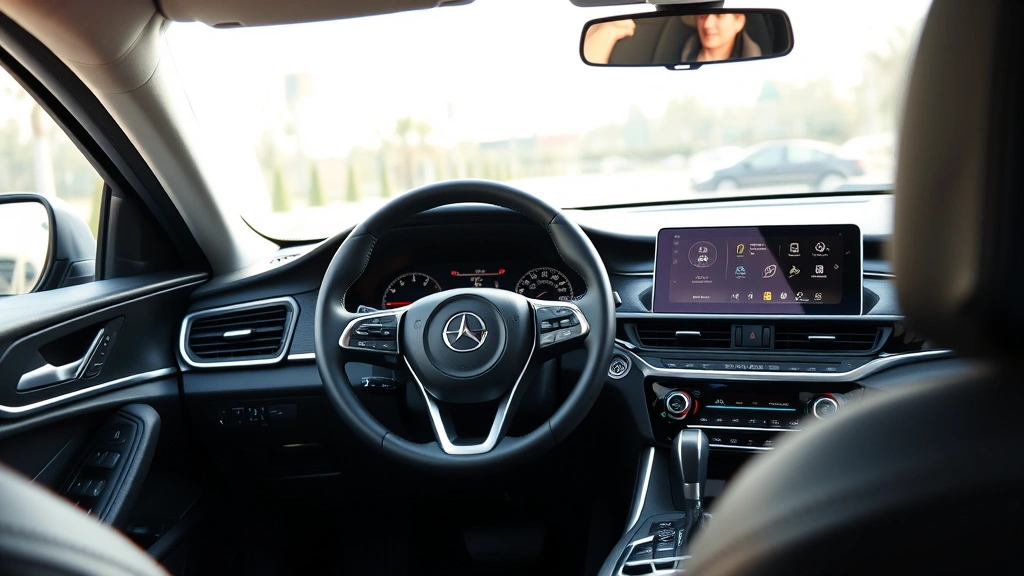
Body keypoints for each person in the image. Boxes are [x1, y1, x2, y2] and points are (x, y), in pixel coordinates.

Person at [681, 13, 762, 62]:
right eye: (702, 15)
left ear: (739, 22)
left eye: (719, 15)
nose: (707, 24)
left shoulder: (753, 69)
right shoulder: (686, 54)